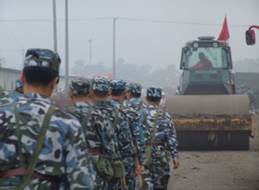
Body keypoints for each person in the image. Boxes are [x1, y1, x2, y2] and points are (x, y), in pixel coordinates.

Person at [0, 48, 95, 189]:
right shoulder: (68, 122)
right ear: (55, 81)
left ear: (22, 77)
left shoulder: (3, 114)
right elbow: (82, 181)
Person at [85, 78, 125, 190]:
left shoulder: (84, 113)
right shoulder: (120, 114)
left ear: (92, 92)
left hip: (86, 166)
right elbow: (125, 143)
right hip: (109, 164)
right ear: (109, 92)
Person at [142, 87, 180, 190]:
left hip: (144, 153)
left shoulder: (139, 115)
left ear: (146, 98)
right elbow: (171, 138)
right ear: (159, 100)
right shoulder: (165, 116)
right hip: (161, 154)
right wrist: (175, 156)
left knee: (145, 181)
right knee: (161, 183)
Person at [110, 80, 144, 190]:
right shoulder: (129, 112)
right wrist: (141, 161)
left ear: (110, 91)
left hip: (107, 158)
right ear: (125, 92)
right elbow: (137, 137)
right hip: (126, 159)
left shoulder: (100, 111)